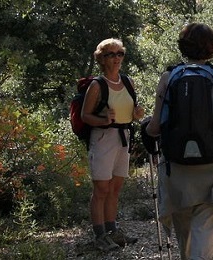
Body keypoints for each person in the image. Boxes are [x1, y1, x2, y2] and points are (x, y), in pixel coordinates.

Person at [145, 23, 213, 259]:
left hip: (177, 170)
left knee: (185, 236)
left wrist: (145, 132)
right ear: (212, 49)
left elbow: (155, 127)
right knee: (206, 234)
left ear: (183, 47)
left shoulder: (168, 77)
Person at [81, 38, 144, 251]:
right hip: (102, 138)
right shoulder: (96, 85)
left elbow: (131, 110)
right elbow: (85, 116)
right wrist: (102, 120)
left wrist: (136, 114)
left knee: (115, 188)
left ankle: (113, 231)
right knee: (101, 189)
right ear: (101, 58)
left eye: (120, 54)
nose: (116, 58)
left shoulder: (127, 82)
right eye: (111, 54)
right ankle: (100, 235)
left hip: (123, 137)